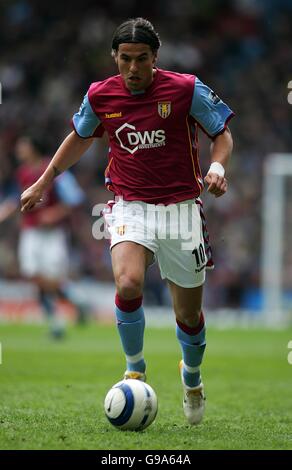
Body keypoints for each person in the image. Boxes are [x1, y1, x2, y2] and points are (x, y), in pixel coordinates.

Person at [20, 18, 234, 424]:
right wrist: (43, 182)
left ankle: (191, 377)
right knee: (128, 282)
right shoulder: (100, 95)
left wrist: (219, 167)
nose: (132, 69)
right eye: (124, 60)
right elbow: (80, 137)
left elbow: (221, 133)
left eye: (141, 59)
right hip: (128, 205)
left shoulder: (186, 89)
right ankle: (134, 368)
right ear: (114, 58)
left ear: (155, 58)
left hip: (181, 210)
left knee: (188, 316)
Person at [9, 135, 86, 337]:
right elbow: (15, 199)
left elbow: (75, 198)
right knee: (33, 274)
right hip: (31, 231)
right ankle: (74, 302)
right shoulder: (22, 173)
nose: (19, 150)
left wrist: (55, 213)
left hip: (53, 234)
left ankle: (56, 323)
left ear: (34, 148)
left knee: (50, 278)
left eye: (22, 145)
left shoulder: (53, 171)